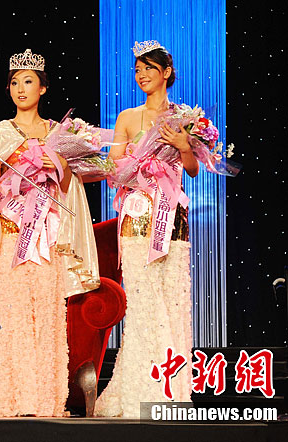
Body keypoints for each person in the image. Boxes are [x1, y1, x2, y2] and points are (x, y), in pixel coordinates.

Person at [0, 49, 100, 417]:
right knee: (9, 317)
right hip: (11, 238)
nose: (21, 89)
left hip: (46, 240)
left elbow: (69, 184)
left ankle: (40, 398)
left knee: (44, 318)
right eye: (15, 83)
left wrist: (58, 163)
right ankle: (2, 398)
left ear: (43, 88)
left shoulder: (59, 132)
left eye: (28, 81)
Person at [94, 41, 198, 418]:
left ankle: (174, 391)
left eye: (148, 68)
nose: (141, 75)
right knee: (144, 303)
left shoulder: (185, 117)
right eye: (137, 69)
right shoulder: (126, 117)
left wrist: (184, 145)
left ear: (166, 73)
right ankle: (141, 387)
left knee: (173, 302)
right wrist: (135, 165)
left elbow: (192, 169)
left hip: (174, 218)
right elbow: (112, 169)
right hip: (137, 214)